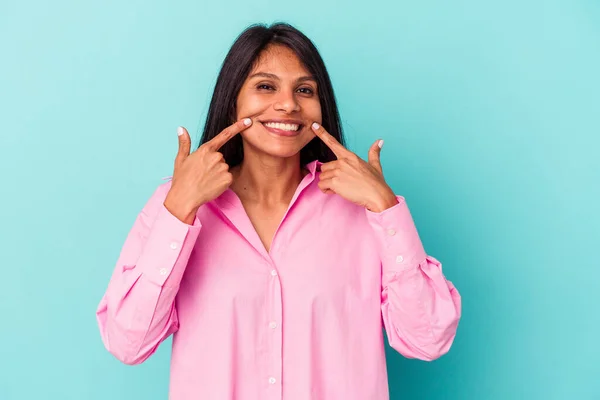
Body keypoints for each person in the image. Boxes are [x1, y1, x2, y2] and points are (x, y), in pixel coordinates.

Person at [96, 22, 461, 400]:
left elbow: (428, 339)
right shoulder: (177, 204)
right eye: (266, 86)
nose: (288, 104)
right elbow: (128, 343)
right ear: (232, 99)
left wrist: (386, 209)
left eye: (304, 90)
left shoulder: (364, 211)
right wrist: (178, 211)